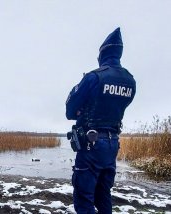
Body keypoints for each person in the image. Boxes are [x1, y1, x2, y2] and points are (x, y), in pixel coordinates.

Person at [65, 27, 136, 213]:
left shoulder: (94, 77)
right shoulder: (130, 80)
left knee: (83, 198)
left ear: (102, 53)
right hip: (112, 144)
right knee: (103, 194)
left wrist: (81, 110)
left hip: (91, 144)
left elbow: (70, 110)